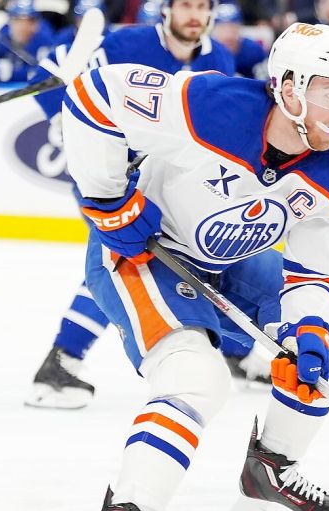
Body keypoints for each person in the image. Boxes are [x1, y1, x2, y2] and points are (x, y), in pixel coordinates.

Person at [62, 22, 329, 511]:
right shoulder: (210, 106)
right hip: (145, 252)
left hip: (230, 261)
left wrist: (310, 329)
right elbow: (94, 94)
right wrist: (108, 199)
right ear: (289, 88)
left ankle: (270, 473)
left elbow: (316, 272)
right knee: (197, 376)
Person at [24, 0, 237, 409]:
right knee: (121, 260)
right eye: (186, 5)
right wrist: (66, 119)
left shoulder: (219, 59)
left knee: (201, 260)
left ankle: (236, 352)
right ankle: (61, 360)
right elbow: (47, 73)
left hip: (167, 183)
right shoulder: (127, 44)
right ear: (167, 10)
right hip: (110, 178)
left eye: (202, 6)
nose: (194, 15)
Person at [0, 0, 55, 89]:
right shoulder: (2, 38)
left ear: (36, 24)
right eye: (17, 20)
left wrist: (10, 73)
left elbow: (46, 75)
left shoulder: (44, 41)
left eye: (29, 21)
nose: (22, 27)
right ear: (10, 21)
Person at [211, 1, 268, 78]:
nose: (228, 35)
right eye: (222, 29)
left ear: (240, 28)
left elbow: (266, 80)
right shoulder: (206, 53)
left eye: (233, 28)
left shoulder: (254, 51)